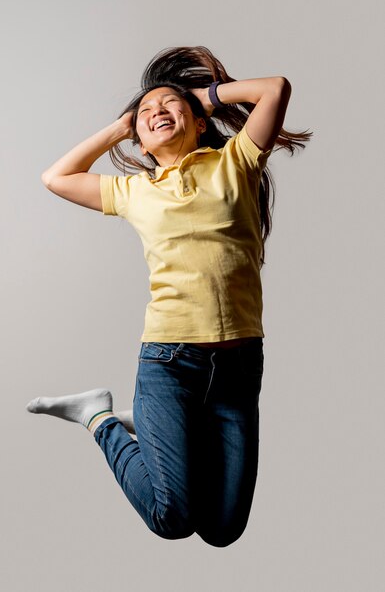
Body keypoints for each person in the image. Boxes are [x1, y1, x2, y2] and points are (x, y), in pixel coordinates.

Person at [27, 46, 311, 547]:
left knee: (223, 529)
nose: (157, 110)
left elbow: (275, 89)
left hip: (239, 364)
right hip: (170, 361)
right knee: (172, 519)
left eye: (169, 104)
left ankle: (164, 428)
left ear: (200, 123)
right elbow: (56, 177)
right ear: (137, 140)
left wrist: (199, 96)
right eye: (146, 111)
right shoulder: (134, 191)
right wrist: (122, 125)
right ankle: (100, 416)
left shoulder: (236, 163)